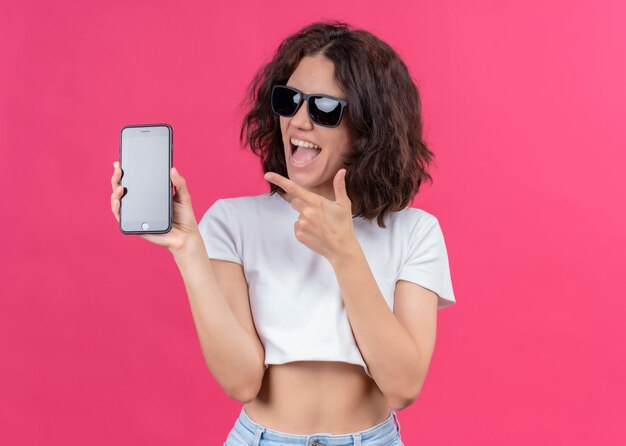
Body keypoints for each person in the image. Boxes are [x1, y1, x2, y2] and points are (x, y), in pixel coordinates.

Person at [110, 20, 456, 446]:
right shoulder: (232, 222)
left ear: (368, 128)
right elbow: (241, 381)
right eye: (289, 101)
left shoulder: (414, 232)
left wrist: (344, 252)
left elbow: (402, 386)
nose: (299, 121)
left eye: (324, 109)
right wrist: (187, 249)